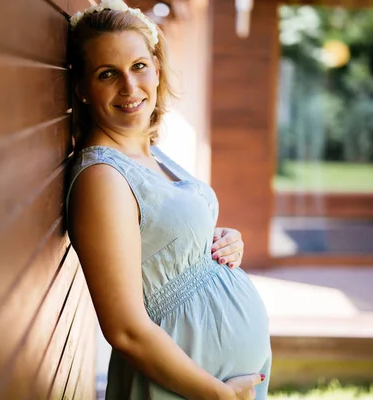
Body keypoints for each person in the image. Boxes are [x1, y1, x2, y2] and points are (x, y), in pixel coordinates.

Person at [65, 1, 272, 398]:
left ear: (157, 69)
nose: (129, 86)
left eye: (139, 66)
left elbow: (157, 240)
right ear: (83, 90)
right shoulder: (101, 178)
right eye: (108, 74)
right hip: (184, 388)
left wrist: (218, 243)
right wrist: (219, 395)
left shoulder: (147, 154)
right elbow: (124, 330)